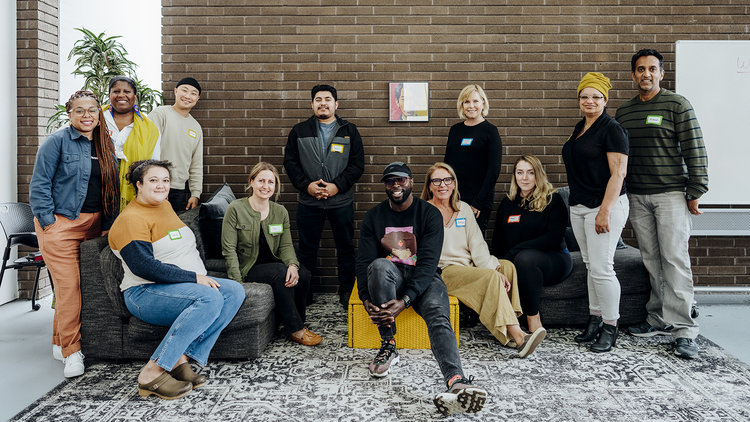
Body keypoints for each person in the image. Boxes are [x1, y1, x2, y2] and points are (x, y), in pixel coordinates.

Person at [356, 161, 487, 416]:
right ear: (385, 185)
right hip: (390, 277)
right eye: (390, 181)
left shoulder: (428, 214)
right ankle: (389, 345)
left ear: (411, 182)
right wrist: (364, 298)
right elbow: (364, 263)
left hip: (424, 279)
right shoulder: (374, 217)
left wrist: (405, 300)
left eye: (401, 180)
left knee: (439, 317)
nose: (396, 185)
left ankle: (456, 381)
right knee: (380, 266)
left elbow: (428, 263)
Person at [109, 160, 245, 400]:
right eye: (153, 180)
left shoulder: (164, 206)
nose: (161, 186)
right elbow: (145, 268)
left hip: (176, 287)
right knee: (209, 298)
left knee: (234, 292)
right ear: (138, 185)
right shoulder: (131, 220)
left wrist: (193, 279)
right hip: (145, 293)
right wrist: (194, 278)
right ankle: (151, 373)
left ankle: (180, 358)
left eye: (165, 180)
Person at [615, 49, 708, 359]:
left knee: (674, 259)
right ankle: (657, 318)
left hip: (670, 195)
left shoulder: (676, 104)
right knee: (652, 260)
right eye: (640, 69)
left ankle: (685, 329)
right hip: (638, 196)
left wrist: (695, 190)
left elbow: (694, 146)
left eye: (652, 69)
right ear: (633, 75)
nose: (646, 74)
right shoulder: (625, 112)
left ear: (661, 73)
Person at [29, 90, 120, 378]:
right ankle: (72, 352)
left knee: (81, 288)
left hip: (94, 226)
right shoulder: (56, 142)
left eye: (91, 110)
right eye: (79, 110)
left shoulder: (105, 144)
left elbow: (112, 189)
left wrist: (108, 223)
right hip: (61, 224)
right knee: (69, 289)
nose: (86, 116)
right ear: (69, 114)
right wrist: (49, 224)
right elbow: (39, 186)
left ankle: (59, 340)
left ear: (99, 113)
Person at [421, 162, 546, 356]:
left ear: (454, 184)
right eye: (436, 180)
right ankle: (519, 337)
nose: (442, 185)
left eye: (447, 180)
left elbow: (477, 245)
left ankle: (508, 332)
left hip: (469, 265)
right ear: (429, 186)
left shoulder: (463, 209)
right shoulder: (424, 211)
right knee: (492, 277)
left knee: (507, 267)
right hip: (444, 271)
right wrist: (491, 273)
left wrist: (494, 268)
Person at [562, 72, 629, 353]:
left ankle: (611, 327)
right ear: (579, 100)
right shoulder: (580, 127)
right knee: (591, 266)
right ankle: (595, 319)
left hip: (603, 207)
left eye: (596, 97)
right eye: (585, 96)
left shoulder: (612, 129)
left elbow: (619, 173)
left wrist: (605, 210)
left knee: (602, 268)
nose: (590, 101)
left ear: (605, 100)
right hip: (579, 206)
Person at [221, 162, 321, 346]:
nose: (266, 186)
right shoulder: (236, 208)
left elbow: (286, 245)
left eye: (271, 182)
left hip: (273, 262)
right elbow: (229, 249)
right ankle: (295, 329)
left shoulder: (279, 211)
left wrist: (293, 265)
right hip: (248, 266)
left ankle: (295, 320)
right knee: (279, 272)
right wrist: (238, 282)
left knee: (303, 274)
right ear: (251, 182)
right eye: (261, 181)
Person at [283, 84, 365, 308]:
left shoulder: (349, 130)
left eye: (327, 99)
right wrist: (306, 186)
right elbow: (290, 163)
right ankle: (304, 294)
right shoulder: (299, 131)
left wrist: (337, 186)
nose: (323, 103)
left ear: (335, 104)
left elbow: (357, 165)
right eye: (318, 99)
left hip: (341, 201)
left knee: (346, 248)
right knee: (307, 250)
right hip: (308, 202)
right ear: (312, 104)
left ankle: (346, 292)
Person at [491, 155, 573, 333]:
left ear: (538, 175)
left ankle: (533, 318)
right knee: (514, 262)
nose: (525, 178)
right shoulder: (508, 203)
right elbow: (498, 240)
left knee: (525, 258)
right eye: (520, 173)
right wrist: (495, 264)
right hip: (518, 259)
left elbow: (553, 238)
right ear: (514, 176)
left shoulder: (553, 199)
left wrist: (514, 252)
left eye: (530, 173)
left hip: (555, 259)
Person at [443, 84, 502, 234]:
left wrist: (478, 202)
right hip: (454, 198)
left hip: (478, 200)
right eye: (466, 102)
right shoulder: (455, 130)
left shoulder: (490, 131)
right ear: (461, 105)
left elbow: (493, 171)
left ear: (483, 103)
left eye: (475, 101)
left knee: (474, 241)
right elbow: (447, 166)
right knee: (454, 239)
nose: (471, 106)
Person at [102, 75, 161, 210]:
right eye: (116, 91)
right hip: (97, 187)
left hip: (132, 189)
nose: (121, 95)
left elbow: (154, 163)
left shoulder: (149, 129)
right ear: (109, 95)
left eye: (127, 92)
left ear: (135, 96)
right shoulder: (97, 119)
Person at [148, 77, 204, 213]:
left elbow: (196, 163)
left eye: (193, 93)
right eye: (184, 90)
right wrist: (158, 183)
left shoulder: (196, 127)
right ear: (175, 91)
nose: (187, 96)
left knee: (170, 231)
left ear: (197, 98)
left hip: (178, 190)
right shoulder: (160, 114)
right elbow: (148, 150)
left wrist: (195, 193)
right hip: (155, 185)